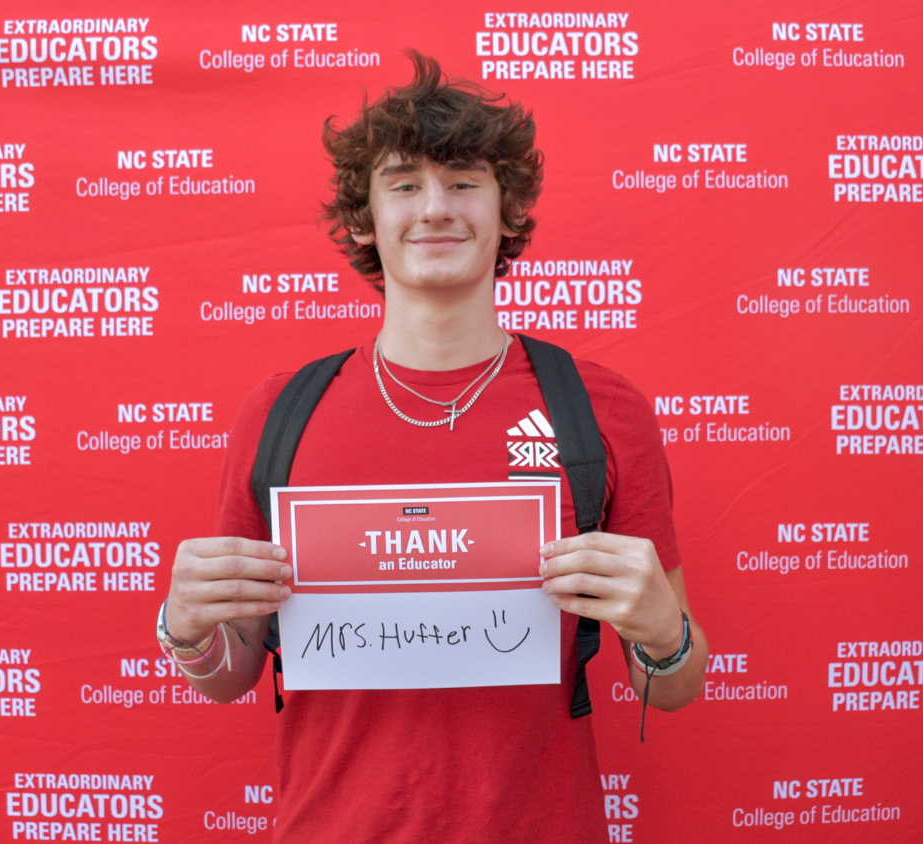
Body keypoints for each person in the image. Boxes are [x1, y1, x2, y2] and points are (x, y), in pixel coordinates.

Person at [161, 53, 708, 842]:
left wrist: (664, 630)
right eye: (405, 185)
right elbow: (232, 675)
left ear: (508, 212)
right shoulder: (279, 415)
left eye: (464, 182)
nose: (436, 208)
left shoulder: (600, 411)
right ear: (364, 221)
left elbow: (674, 687)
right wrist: (185, 628)